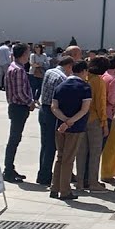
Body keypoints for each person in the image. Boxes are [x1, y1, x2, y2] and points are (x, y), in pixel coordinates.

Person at [49, 59, 93, 201]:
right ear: (84, 71)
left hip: (59, 126)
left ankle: (54, 187)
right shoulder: (85, 87)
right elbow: (84, 109)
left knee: (60, 157)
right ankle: (65, 190)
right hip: (75, 127)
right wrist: (70, 122)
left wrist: (63, 120)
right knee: (69, 159)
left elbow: (54, 107)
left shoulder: (60, 86)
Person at [75, 56, 110, 192]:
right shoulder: (98, 81)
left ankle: (79, 182)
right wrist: (104, 123)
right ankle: (93, 182)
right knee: (95, 152)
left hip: (81, 118)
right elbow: (100, 104)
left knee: (81, 152)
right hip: (94, 120)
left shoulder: (84, 77)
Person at [36, 55, 73, 185]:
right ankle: (45, 176)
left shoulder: (49, 71)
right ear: (68, 66)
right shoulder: (63, 78)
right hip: (53, 112)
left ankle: (42, 173)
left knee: (45, 144)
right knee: (51, 146)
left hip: (43, 109)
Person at [3, 44, 35, 182]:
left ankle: (10, 167)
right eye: (28, 53)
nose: (29, 55)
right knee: (14, 139)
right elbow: (20, 92)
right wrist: (30, 102)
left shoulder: (13, 67)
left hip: (15, 106)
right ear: (23, 54)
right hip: (19, 107)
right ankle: (8, 169)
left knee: (15, 138)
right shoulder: (18, 70)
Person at [100, 56, 115, 183]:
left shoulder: (103, 76)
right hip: (112, 113)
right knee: (112, 145)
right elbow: (112, 99)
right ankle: (108, 172)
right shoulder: (114, 79)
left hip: (101, 112)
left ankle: (110, 171)